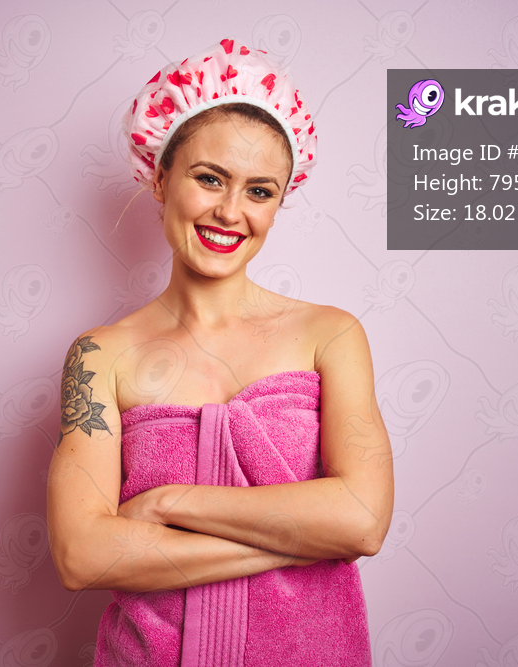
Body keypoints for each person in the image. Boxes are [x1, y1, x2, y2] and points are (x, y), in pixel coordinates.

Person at [47, 37, 393, 666]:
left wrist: (169, 503)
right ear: (160, 178)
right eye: (210, 179)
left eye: (260, 192)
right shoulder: (99, 357)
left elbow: (363, 520)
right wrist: (302, 538)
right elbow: (82, 555)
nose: (231, 212)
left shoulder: (331, 335)